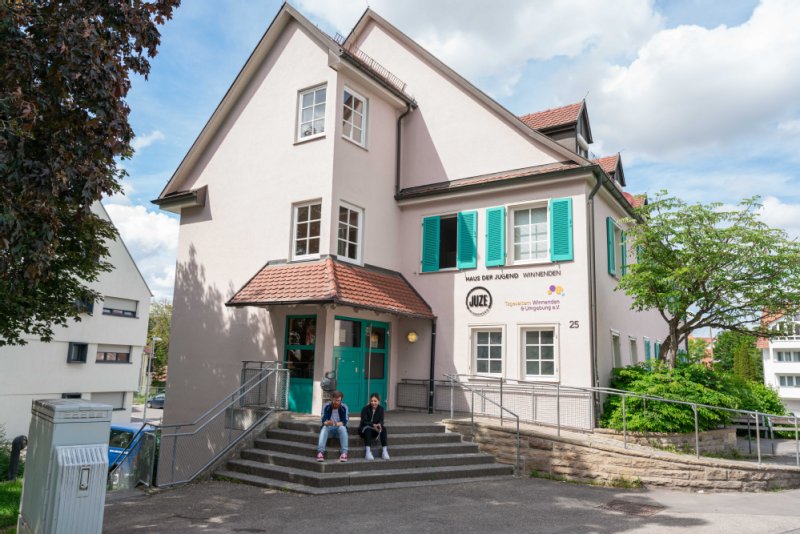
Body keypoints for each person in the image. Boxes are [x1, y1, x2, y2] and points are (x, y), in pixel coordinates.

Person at [316, 390, 349, 462]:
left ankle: (344, 453)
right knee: (324, 428)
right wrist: (327, 423)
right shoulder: (326, 406)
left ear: (341, 400)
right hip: (329, 430)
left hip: (339, 431)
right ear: (332, 399)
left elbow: (344, 422)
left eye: (338, 400)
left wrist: (334, 423)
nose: (336, 402)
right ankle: (320, 453)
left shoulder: (344, 407)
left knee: (343, 428)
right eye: (335, 400)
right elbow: (323, 420)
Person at [359, 393, 389, 460]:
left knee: (383, 428)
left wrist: (379, 425)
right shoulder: (365, 409)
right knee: (368, 429)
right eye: (372, 401)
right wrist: (373, 425)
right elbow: (364, 421)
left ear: (379, 401)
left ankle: (384, 451)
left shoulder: (381, 409)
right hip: (365, 429)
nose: (373, 402)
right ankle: (368, 452)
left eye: (375, 401)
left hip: (375, 430)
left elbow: (381, 420)